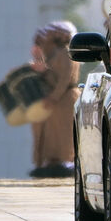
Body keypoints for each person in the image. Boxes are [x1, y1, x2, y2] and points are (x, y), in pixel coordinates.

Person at [29, 21, 80, 178]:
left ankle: (65, 161)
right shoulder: (56, 52)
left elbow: (64, 79)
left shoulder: (66, 53)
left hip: (65, 99)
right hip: (57, 100)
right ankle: (52, 161)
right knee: (53, 135)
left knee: (64, 134)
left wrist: (54, 97)